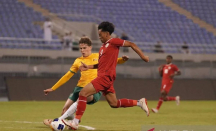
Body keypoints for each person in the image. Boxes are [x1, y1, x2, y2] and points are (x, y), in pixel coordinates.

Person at [62, 21, 150, 130]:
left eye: (100, 34)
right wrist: (88, 67)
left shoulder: (113, 42)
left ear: (107, 33)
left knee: (83, 93)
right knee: (114, 103)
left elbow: (131, 44)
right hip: (105, 77)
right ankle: (139, 102)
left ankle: (75, 122)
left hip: (105, 77)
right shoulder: (103, 47)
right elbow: (101, 64)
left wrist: (143, 57)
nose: (99, 37)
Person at [43, 37, 129, 126]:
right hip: (79, 87)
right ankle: (72, 121)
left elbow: (113, 61)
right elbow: (67, 76)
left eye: (84, 48)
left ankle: (58, 121)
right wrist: (53, 88)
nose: (82, 50)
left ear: (90, 47)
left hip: (94, 87)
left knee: (81, 98)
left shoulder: (98, 56)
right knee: (65, 110)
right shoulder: (78, 61)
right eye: (80, 48)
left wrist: (123, 60)